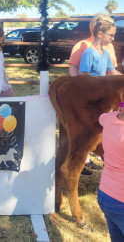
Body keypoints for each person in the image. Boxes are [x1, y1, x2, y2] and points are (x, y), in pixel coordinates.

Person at [68, 14, 121, 175]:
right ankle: (79, 160)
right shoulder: (89, 53)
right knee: (90, 131)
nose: (112, 38)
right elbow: (84, 76)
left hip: (102, 97)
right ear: (100, 34)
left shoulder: (104, 53)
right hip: (91, 98)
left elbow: (112, 71)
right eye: (110, 35)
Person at [97, 109, 124, 242]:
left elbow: (101, 117)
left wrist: (118, 109)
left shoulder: (108, 118)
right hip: (121, 199)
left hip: (105, 194)